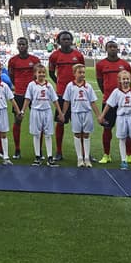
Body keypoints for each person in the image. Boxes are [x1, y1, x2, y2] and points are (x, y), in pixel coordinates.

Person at [47, 31, 85, 162]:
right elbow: (51, 73)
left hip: (77, 94)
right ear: (59, 41)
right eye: (64, 39)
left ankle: (84, 152)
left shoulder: (78, 55)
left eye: (68, 39)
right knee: (60, 122)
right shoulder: (54, 56)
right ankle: (58, 151)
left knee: (81, 124)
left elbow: (81, 72)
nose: (66, 41)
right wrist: (59, 82)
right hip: (62, 94)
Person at [94, 40, 131, 165]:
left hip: (124, 102)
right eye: (110, 47)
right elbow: (100, 81)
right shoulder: (100, 65)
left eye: (115, 46)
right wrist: (108, 94)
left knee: (127, 130)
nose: (113, 49)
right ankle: (106, 155)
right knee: (107, 128)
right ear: (106, 49)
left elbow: (128, 82)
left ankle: (129, 155)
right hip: (108, 101)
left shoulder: (125, 64)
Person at [18, 64, 62, 167]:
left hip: (47, 111)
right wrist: (23, 111)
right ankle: (37, 157)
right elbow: (27, 99)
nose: (41, 74)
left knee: (48, 134)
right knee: (36, 134)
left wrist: (60, 112)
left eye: (43, 72)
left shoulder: (49, 85)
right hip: (35, 111)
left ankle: (50, 157)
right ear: (35, 73)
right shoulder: (31, 85)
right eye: (39, 72)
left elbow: (55, 100)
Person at [6, 37, 41, 161]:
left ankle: (39, 150)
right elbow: (11, 75)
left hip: (34, 94)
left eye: (23, 44)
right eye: (19, 44)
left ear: (27, 45)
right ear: (17, 46)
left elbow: (39, 74)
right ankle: (17, 149)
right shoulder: (13, 61)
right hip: (19, 94)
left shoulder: (35, 60)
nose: (21, 46)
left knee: (38, 122)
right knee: (18, 120)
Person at [62, 63, 99, 168]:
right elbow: (66, 101)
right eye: (80, 72)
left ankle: (87, 158)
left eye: (83, 72)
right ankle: (79, 158)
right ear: (74, 73)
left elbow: (93, 102)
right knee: (77, 134)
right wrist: (63, 114)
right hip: (75, 113)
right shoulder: (70, 86)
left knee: (86, 134)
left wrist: (98, 115)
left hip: (87, 112)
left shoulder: (88, 86)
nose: (82, 74)